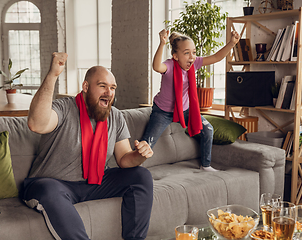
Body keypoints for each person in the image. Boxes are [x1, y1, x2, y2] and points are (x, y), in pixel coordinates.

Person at [23, 52, 154, 240]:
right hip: (53, 183)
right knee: (49, 190)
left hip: (94, 182)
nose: (109, 92)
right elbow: (36, 123)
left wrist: (140, 155)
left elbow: (124, 159)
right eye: (102, 86)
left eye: (112, 88)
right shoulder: (65, 108)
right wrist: (52, 75)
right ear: (85, 87)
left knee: (141, 176)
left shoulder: (116, 116)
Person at [141, 29, 240, 172]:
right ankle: (133, 168)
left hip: (186, 110)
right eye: (186, 53)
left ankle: (205, 165)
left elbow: (217, 57)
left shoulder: (195, 63)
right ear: (175, 56)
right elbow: (156, 66)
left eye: (193, 52)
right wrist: (162, 44)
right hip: (163, 112)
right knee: (147, 142)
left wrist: (232, 43)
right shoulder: (169, 65)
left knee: (208, 130)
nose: (192, 57)